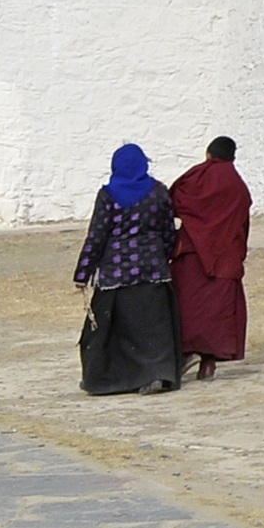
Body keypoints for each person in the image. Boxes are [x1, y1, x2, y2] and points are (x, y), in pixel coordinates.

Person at [73, 143, 185, 395]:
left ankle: (107, 379)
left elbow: (97, 236)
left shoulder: (109, 195)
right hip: (153, 271)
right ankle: (158, 375)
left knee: (112, 329)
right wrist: (161, 255)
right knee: (153, 330)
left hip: (116, 273)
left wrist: (83, 274)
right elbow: (169, 231)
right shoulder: (158, 192)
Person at [169, 135, 252, 380]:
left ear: (208, 154)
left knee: (189, 306)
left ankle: (187, 353)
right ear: (233, 158)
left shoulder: (195, 177)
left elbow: (173, 201)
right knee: (218, 311)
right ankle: (208, 363)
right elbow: (242, 223)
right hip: (224, 258)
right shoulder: (238, 186)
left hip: (193, 254)